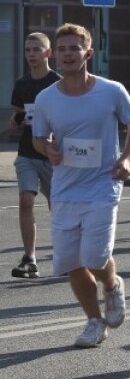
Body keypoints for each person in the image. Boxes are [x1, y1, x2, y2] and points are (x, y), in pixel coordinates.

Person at [31, 23, 130, 348]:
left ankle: (111, 283)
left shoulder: (110, 90)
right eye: (63, 49)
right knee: (70, 263)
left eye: (75, 48)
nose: (68, 54)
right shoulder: (46, 98)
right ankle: (94, 321)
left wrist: (127, 157)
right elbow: (39, 138)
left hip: (103, 184)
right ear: (55, 54)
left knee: (95, 257)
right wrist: (46, 148)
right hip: (65, 187)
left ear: (88, 53)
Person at [9, 32, 60, 279]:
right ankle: (30, 258)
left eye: (36, 50)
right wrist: (17, 120)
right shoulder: (22, 84)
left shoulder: (59, 82)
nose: (31, 54)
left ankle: (66, 254)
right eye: (28, 50)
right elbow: (16, 117)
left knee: (58, 206)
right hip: (27, 153)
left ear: (48, 53)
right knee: (26, 200)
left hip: (52, 155)